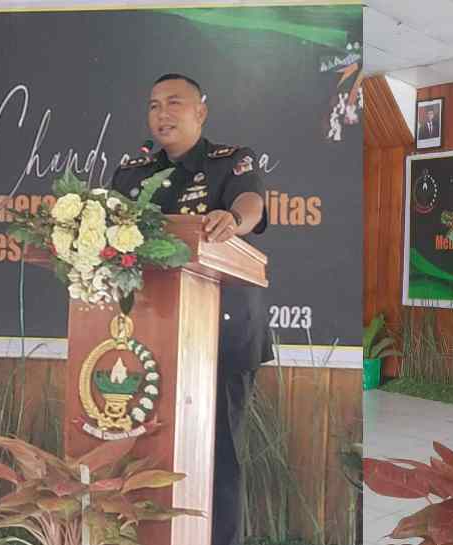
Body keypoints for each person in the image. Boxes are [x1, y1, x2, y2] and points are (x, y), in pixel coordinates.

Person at [111, 73, 273, 545]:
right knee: (146, 451)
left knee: (220, 456)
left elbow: (251, 204)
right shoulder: (132, 173)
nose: (162, 113)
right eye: (154, 105)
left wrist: (233, 219)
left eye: (174, 103)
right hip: (147, 338)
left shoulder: (231, 161)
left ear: (200, 111)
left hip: (221, 338)